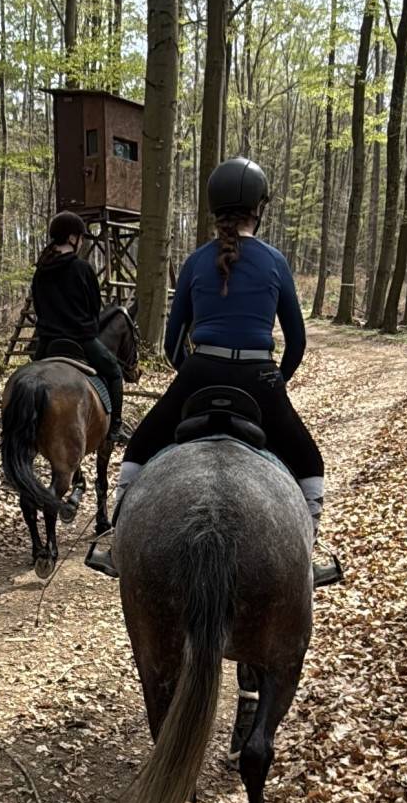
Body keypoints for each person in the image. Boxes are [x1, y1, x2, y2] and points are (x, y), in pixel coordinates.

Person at [91, 158, 325, 567]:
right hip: (259, 377)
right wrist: (277, 380)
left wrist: (191, 372)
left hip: (200, 373)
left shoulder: (196, 261)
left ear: (215, 208)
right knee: (309, 462)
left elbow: (172, 342)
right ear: (259, 208)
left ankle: (116, 543)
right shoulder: (275, 261)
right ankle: (307, 556)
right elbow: (297, 341)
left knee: (138, 451)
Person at [28, 211, 126, 439]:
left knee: (31, 376)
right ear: (72, 238)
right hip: (81, 339)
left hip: (47, 342)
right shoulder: (82, 268)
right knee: (114, 372)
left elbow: (39, 308)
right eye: (81, 238)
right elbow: (94, 307)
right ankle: (115, 428)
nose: (82, 243)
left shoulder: (40, 271)